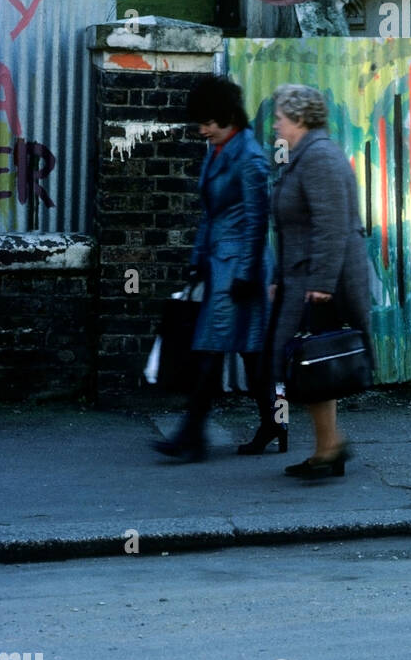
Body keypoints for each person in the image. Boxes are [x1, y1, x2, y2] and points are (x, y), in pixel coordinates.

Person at [153, 75, 280, 461]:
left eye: (208, 121)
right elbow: (210, 213)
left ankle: (192, 437)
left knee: (210, 348)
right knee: (250, 353)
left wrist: (244, 275)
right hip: (219, 266)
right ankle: (273, 421)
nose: (202, 129)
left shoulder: (251, 159)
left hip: (241, 270)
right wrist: (196, 261)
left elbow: (258, 222)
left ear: (228, 117)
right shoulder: (219, 151)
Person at [270, 83, 372, 479]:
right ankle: (328, 446)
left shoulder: (320, 158)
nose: (275, 123)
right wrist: (281, 277)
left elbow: (332, 225)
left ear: (299, 118)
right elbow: (293, 228)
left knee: (314, 363)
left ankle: (330, 447)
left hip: (320, 281)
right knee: (314, 365)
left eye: (280, 116)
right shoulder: (305, 156)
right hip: (303, 277)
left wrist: (323, 284)